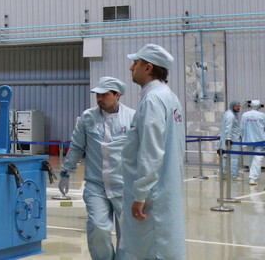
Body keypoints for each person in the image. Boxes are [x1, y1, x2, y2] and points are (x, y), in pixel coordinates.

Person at [58, 76, 136, 260]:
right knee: (98, 228)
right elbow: (77, 146)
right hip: (96, 186)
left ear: (118, 95)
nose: (99, 99)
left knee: (128, 235)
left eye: (104, 95)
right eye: (97, 95)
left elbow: (141, 151)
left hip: (124, 186)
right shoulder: (87, 118)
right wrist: (65, 172)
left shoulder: (133, 117)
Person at [120, 44, 185, 260]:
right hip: (165, 188)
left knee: (151, 249)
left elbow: (151, 150)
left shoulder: (153, 99)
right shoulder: (169, 97)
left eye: (135, 63)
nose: (131, 68)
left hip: (152, 194)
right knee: (165, 246)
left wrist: (140, 194)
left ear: (148, 68)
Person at [241, 99, 265, 185]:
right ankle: (253, 178)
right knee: (257, 159)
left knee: (251, 159)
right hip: (260, 140)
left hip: (248, 140)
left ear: (250, 106)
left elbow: (242, 128)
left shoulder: (244, 115)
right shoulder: (262, 115)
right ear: (259, 106)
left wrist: (243, 138)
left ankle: (253, 177)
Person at [219, 100, 242, 180]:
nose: (239, 108)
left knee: (225, 157)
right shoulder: (230, 115)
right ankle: (233, 175)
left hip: (227, 140)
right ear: (233, 106)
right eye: (237, 106)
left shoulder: (229, 114)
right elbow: (228, 128)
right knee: (234, 158)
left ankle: (222, 174)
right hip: (232, 141)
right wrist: (229, 139)